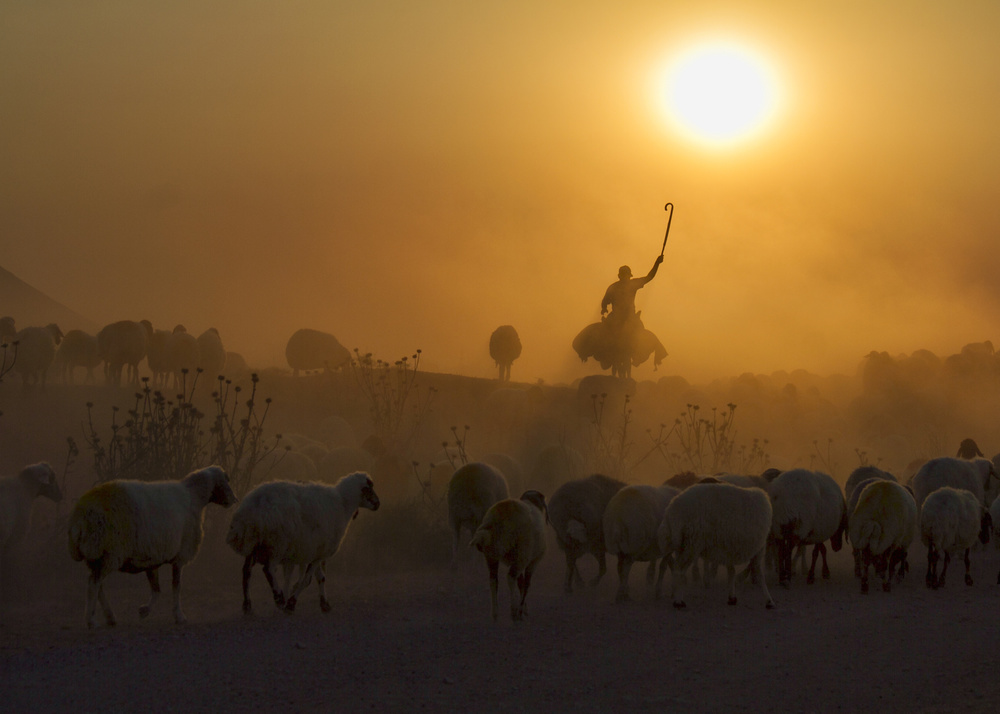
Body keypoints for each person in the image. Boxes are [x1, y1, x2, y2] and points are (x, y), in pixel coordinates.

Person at [600, 255, 663, 331]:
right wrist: (657, 263)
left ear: (619, 276)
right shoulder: (632, 284)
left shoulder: (613, 287)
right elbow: (649, 277)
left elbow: (604, 302)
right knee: (640, 332)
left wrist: (604, 309)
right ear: (629, 276)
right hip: (628, 318)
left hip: (617, 317)